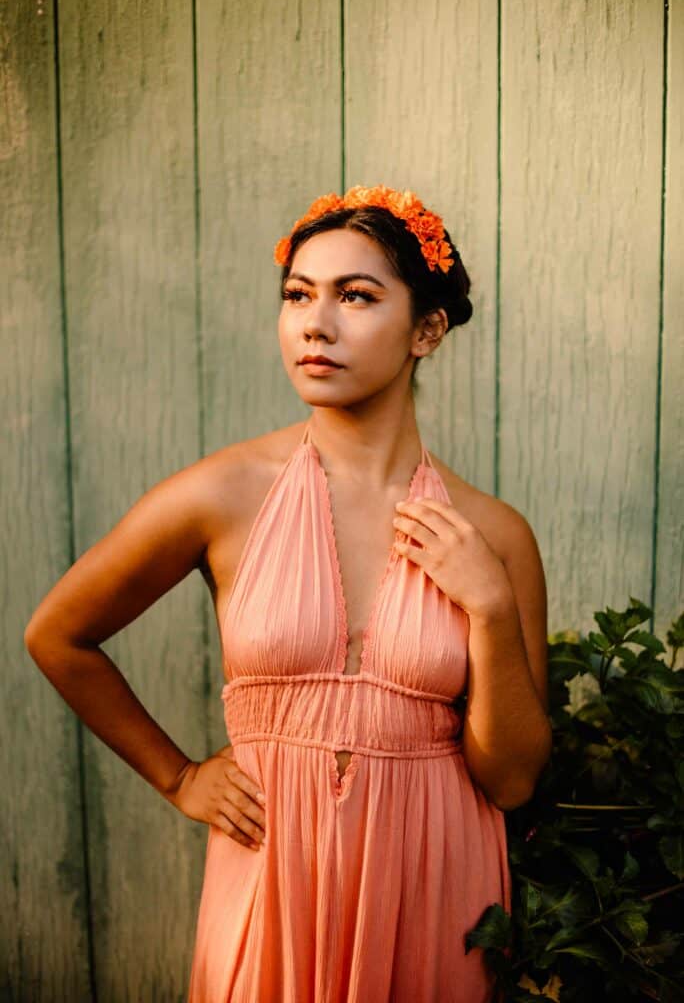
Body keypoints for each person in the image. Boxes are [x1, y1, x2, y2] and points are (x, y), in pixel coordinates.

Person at [24, 184, 552, 1002]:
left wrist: (487, 607)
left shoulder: (496, 535)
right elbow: (57, 634)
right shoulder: (224, 493)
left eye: (357, 297)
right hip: (272, 875)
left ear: (428, 329)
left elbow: (512, 782)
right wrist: (177, 777)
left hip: (435, 879)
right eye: (298, 295)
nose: (316, 322)